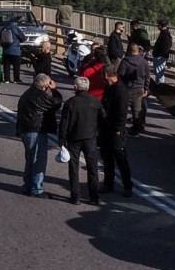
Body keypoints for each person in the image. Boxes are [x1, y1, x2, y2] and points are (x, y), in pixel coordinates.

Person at [58, 76, 103, 205]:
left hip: (74, 139)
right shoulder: (95, 101)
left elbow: (64, 123)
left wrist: (61, 139)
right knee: (92, 168)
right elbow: (102, 118)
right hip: (90, 138)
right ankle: (94, 196)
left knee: (73, 167)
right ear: (87, 87)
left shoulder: (71, 102)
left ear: (76, 87)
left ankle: (75, 196)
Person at [16, 73, 61, 197]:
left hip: (25, 130)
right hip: (36, 131)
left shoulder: (26, 94)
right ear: (45, 85)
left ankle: (28, 185)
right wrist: (55, 90)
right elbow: (56, 103)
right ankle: (36, 188)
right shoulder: (40, 96)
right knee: (38, 160)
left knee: (30, 159)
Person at [98, 65, 134, 197]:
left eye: (103, 75)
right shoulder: (109, 87)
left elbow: (121, 112)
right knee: (106, 158)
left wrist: (118, 129)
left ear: (106, 75)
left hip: (116, 130)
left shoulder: (120, 90)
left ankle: (127, 186)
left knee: (120, 158)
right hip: (106, 128)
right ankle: (108, 184)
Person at [118, 44, 150, 135]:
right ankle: (136, 130)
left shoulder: (125, 61)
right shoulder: (144, 62)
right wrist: (146, 88)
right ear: (138, 51)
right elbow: (147, 77)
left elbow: (120, 75)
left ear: (129, 50)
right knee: (137, 111)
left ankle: (120, 129)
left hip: (126, 88)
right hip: (139, 88)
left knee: (122, 110)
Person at [1, 18, 26, 84]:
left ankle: (7, 79)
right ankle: (16, 78)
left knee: (6, 65)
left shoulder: (4, 28)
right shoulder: (16, 28)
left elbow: (0, 37)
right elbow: (23, 38)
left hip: (6, 50)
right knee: (16, 65)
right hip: (15, 50)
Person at [153, 19, 173, 85]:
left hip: (161, 57)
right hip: (159, 56)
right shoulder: (164, 33)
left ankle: (160, 87)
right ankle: (158, 86)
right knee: (158, 73)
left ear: (160, 26)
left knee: (159, 74)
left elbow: (166, 48)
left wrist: (159, 54)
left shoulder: (165, 35)